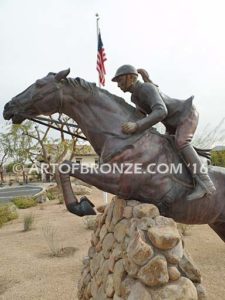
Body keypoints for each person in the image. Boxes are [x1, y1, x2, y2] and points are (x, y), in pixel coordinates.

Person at [112, 64, 216, 201]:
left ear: (131, 77)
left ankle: (206, 183)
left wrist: (136, 126)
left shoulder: (146, 88)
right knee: (163, 146)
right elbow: (141, 116)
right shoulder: (135, 97)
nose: (118, 85)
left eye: (120, 80)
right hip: (171, 123)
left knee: (181, 142)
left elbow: (161, 111)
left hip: (185, 114)